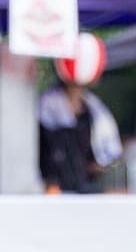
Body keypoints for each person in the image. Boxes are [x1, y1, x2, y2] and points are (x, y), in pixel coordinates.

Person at [37, 64, 121, 193]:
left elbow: (104, 157)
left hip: (85, 189)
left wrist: (99, 166)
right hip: (53, 191)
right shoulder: (45, 108)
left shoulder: (94, 110)